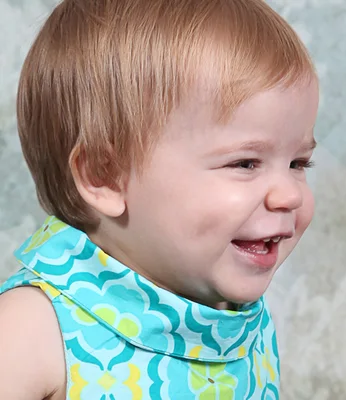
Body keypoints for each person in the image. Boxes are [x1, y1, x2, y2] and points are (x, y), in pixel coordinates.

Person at [0, 0, 319, 398]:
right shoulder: (34, 329)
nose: (290, 194)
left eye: (298, 162)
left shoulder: (234, 318)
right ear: (106, 176)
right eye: (245, 163)